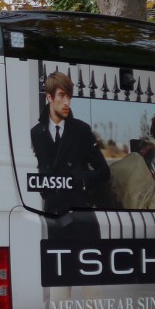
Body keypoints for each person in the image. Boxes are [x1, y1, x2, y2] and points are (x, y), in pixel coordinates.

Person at [29, 71, 112, 215]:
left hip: (80, 214)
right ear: (50, 97)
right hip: (52, 214)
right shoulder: (36, 133)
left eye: (69, 96)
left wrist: (79, 181)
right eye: (62, 95)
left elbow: (104, 172)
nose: (67, 102)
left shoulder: (81, 130)